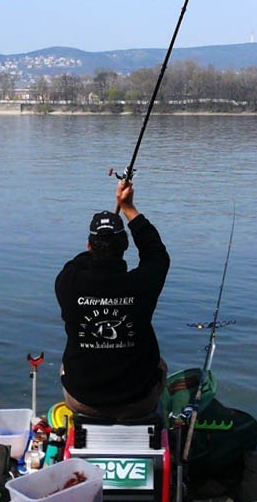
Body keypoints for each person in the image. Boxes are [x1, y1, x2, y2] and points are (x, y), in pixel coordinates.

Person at [55, 179, 170, 420]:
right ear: (126, 245)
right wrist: (128, 208)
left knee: (65, 366)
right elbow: (156, 253)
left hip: (82, 399)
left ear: (89, 246)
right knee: (161, 365)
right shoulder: (143, 283)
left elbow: (77, 263)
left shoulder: (67, 282)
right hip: (138, 400)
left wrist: (97, 252)